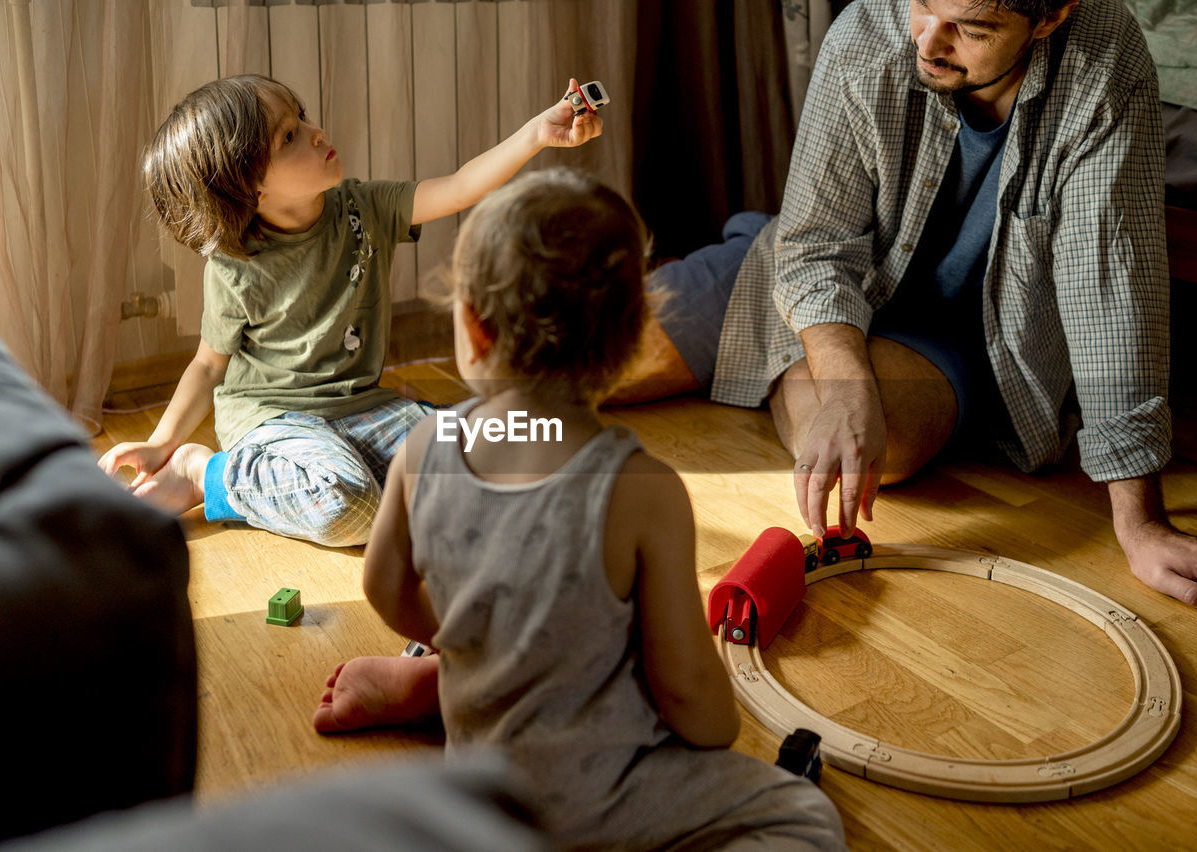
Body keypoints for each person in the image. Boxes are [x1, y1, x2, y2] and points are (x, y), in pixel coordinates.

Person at [616, 0, 1197, 613]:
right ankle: (756, 282)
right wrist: (844, 383)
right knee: (563, 371)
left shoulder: (1104, 58)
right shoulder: (864, 31)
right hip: (820, 262)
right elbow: (817, 243)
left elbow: (1108, 282)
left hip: (959, 329)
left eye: (970, 29)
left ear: (1050, 17)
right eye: (922, 6)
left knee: (880, 455)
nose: (928, 43)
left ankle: (776, 343)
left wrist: (1141, 523)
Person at [312, 169, 846, 850]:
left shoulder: (426, 446)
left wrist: (478, 643)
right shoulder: (642, 489)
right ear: (633, 345)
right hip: (602, 800)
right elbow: (687, 694)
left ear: (473, 330)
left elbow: (383, 587)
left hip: (479, 791)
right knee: (800, 816)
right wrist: (723, 728)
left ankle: (429, 689)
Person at [98, 74, 601, 546]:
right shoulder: (237, 264)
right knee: (348, 506)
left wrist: (538, 133)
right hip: (277, 422)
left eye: (303, 117)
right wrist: (163, 445)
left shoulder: (365, 208)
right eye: (289, 137)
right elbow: (209, 364)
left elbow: (460, 187)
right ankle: (208, 476)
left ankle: (395, 463)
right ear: (248, 186)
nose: (317, 134)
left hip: (365, 408)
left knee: (529, 441)